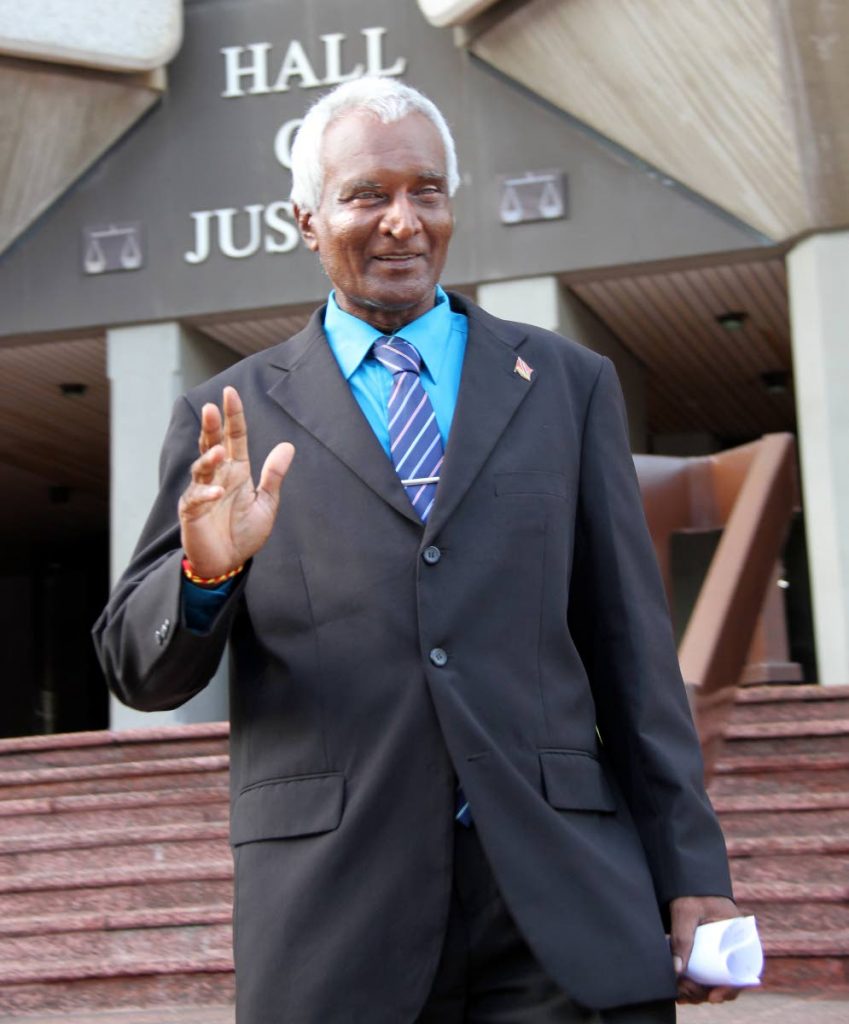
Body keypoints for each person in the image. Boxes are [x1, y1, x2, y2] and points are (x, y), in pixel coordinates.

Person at [94, 77, 741, 1023]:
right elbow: (135, 672)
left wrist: (692, 873)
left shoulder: (567, 384)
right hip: (336, 921)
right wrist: (208, 571)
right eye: (367, 196)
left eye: (426, 192)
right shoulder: (229, 414)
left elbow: (633, 653)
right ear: (306, 220)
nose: (403, 221)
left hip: (562, 908)